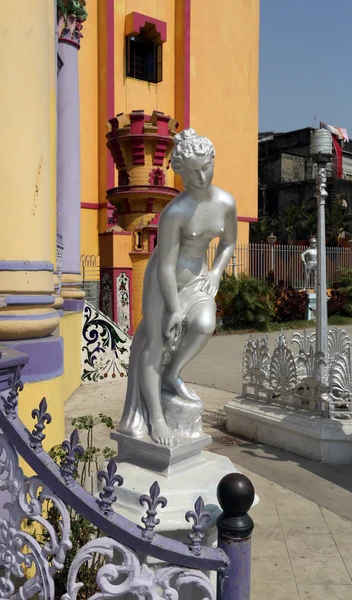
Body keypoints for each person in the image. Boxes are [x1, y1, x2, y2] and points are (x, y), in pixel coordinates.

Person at [117, 128, 237, 446]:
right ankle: (156, 418)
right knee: (155, 345)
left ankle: (173, 374)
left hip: (198, 279)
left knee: (205, 323)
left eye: (205, 167)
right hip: (164, 283)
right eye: (191, 172)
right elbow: (166, 266)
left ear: (213, 161)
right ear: (180, 173)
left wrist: (216, 272)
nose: (200, 177)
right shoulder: (175, 213)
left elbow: (228, 243)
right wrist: (172, 309)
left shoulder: (226, 203)